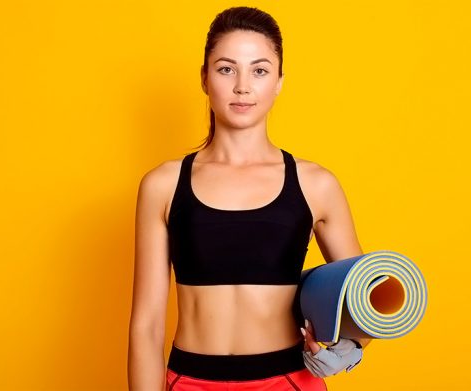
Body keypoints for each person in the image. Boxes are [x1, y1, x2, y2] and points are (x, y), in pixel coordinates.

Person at [128, 6, 370, 390]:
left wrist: (345, 351)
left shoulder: (316, 184)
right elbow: (146, 325)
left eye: (259, 70)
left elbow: (362, 300)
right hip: (190, 380)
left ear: (278, 82)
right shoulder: (162, 184)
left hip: (289, 380)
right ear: (205, 78)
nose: (243, 86)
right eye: (226, 69)